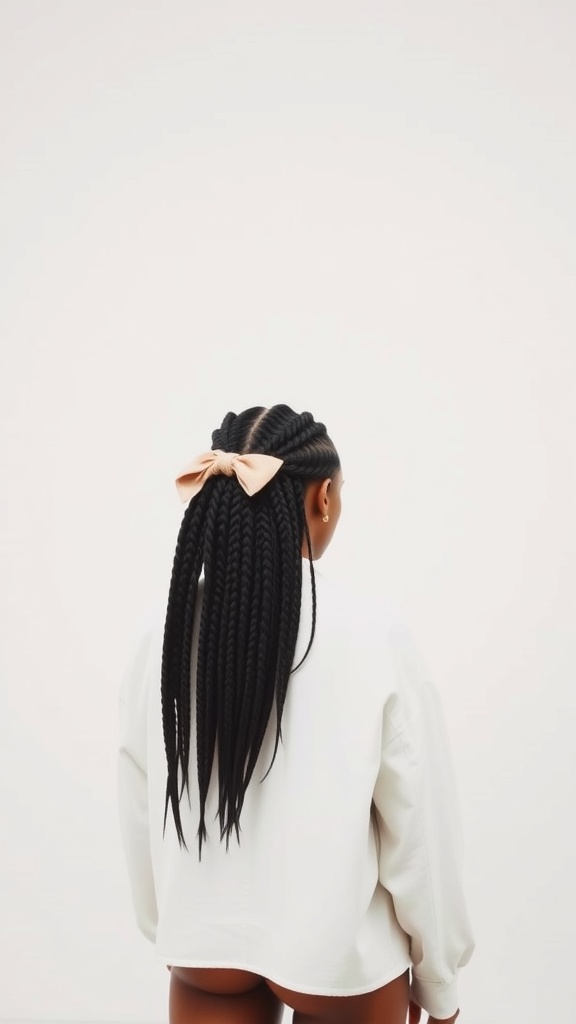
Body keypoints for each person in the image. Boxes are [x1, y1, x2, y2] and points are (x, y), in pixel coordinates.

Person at [117, 404, 474, 1024]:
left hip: (206, 956)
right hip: (340, 961)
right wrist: (439, 983)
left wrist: (173, 929)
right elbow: (418, 826)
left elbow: (139, 793)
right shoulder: (374, 633)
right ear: (324, 497)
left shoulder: (165, 628)